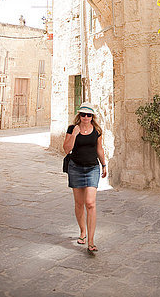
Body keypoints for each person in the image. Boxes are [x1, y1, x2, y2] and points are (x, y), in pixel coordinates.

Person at [63, 102, 106, 254]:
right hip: (75, 168)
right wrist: (74, 134)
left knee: (90, 203)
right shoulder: (71, 129)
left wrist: (104, 165)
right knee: (79, 203)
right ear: (79, 116)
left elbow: (99, 149)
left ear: (92, 116)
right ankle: (82, 232)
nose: (86, 117)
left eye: (89, 115)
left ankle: (91, 241)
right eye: (83, 114)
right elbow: (67, 149)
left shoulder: (97, 131)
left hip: (92, 168)